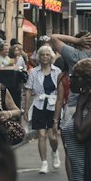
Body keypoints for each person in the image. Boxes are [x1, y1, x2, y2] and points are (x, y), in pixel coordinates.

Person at [23, 44, 61, 174]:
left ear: (51, 57)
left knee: (52, 136)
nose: (45, 57)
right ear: (39, 57)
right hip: (39, 104)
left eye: (47, 55)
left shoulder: (57, 72)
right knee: (41, 134)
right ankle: (44, 162)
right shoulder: (34, 72)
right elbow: (28, 90)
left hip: (53, 105)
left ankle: (55, 152)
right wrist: (26, 108)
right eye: (42, 55)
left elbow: (61, 91)